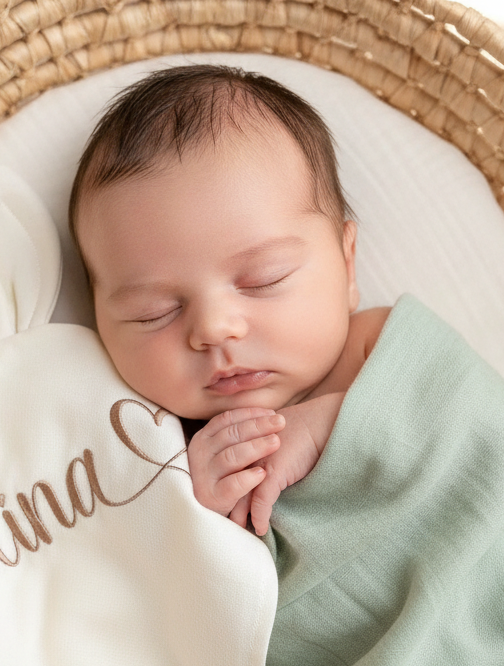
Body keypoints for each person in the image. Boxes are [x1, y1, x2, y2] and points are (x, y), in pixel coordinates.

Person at [68, 63, 390, 534]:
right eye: (154, 313)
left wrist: (335, 424)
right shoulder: (160, 452)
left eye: (263, 279)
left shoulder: (378, 349)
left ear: (346, 265)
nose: (214, 329)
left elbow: (476, 422)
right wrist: (196, 512)